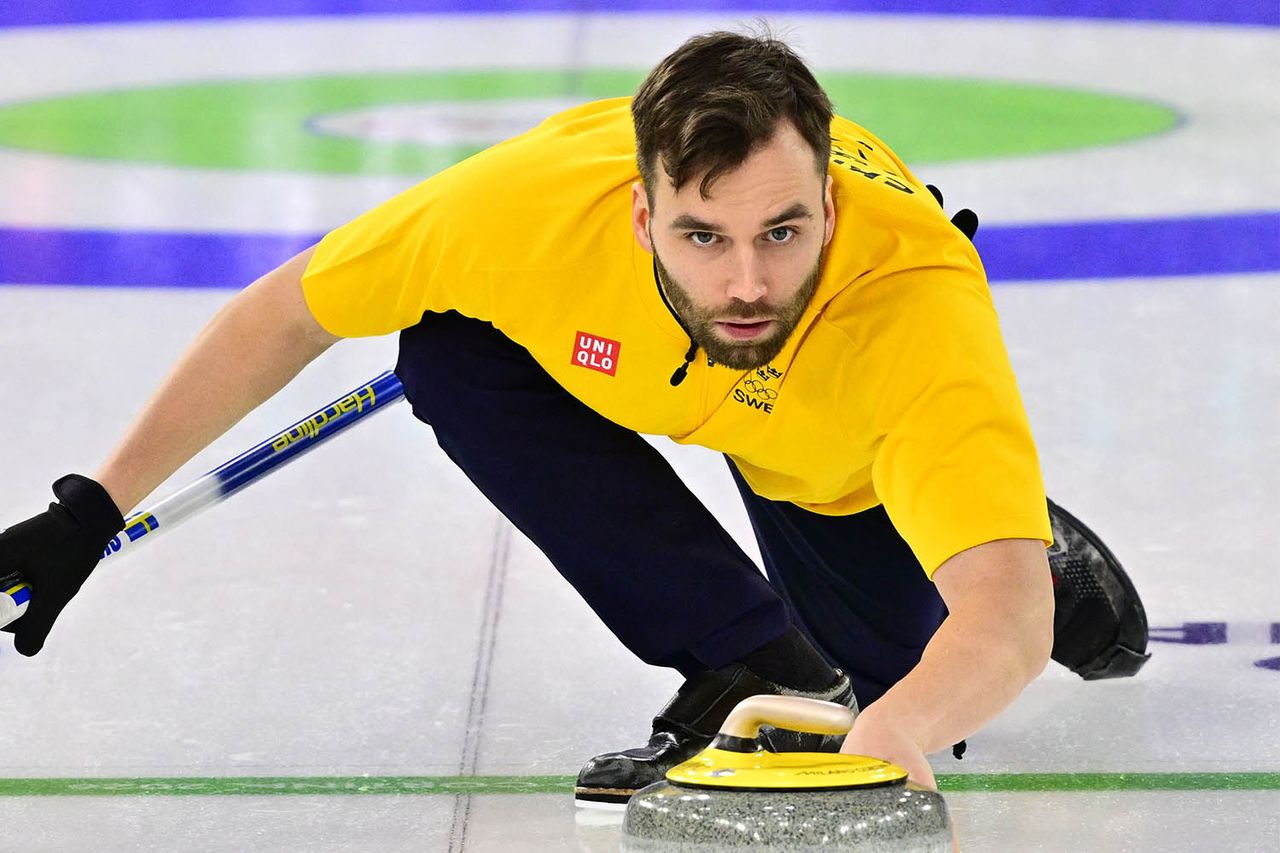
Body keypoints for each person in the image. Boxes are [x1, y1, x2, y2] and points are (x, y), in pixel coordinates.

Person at [0, 30, 1149, 801]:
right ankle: (739, 656)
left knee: (916, 670)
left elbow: (998, 629)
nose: (746, 283)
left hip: (831, 442)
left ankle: (994, 517)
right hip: (643, 365)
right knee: (449, 351)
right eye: (703, 236)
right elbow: (282, 316)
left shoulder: (915, 314)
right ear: (641, 220)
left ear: (830, 207)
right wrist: (92, 507)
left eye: (782, 231)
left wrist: (892, 734)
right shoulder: (516, 220)